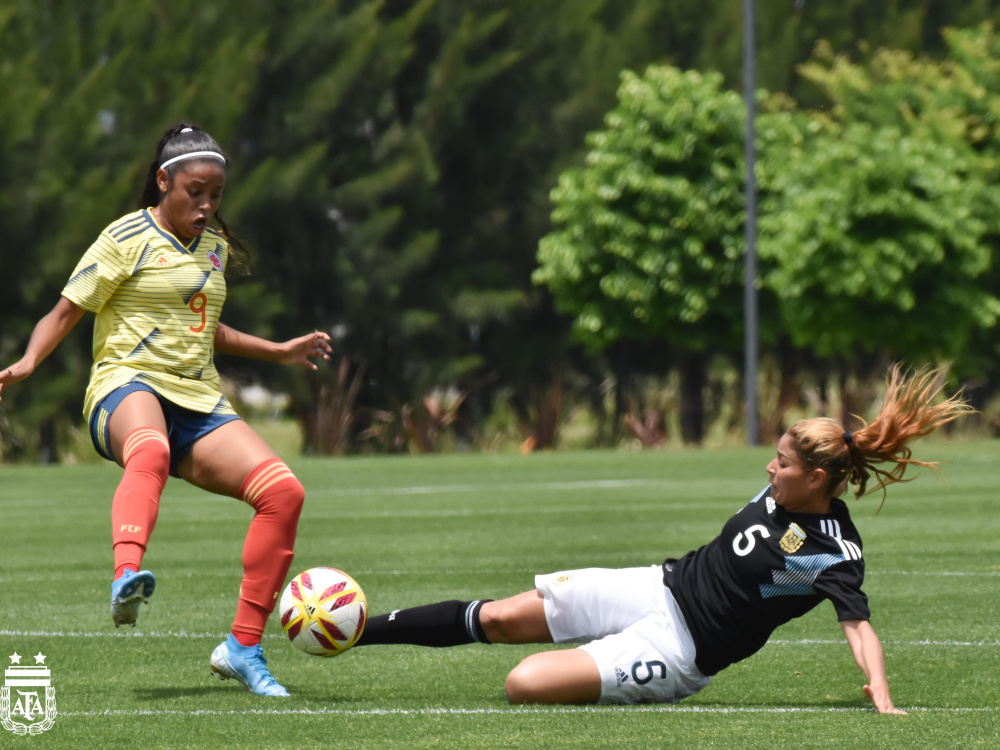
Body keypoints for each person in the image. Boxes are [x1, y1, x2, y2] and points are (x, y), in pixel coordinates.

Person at [354, 366, 969, 712]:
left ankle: (615, 665)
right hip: (657, 585)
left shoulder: (833, 549)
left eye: (781, 463)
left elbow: (858, 626)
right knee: (498, 617)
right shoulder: (780, 492)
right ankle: (355, 630)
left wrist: (880, 689)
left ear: (815, 479)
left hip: (680, 650)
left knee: (524, 684)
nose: (768, 468)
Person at [0, 122, 332, 698]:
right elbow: (64, 312)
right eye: (195, 192)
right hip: (125, 386)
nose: (207, 205)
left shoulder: (214, 249)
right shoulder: (124, 237)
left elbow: (206, 329)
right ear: (163, 181)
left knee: (284, 493)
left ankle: (243, 648)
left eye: (216, 195)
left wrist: (278, 351)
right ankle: (126, 578)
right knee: (149, 449)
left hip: (198, 399)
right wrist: (29, 361)